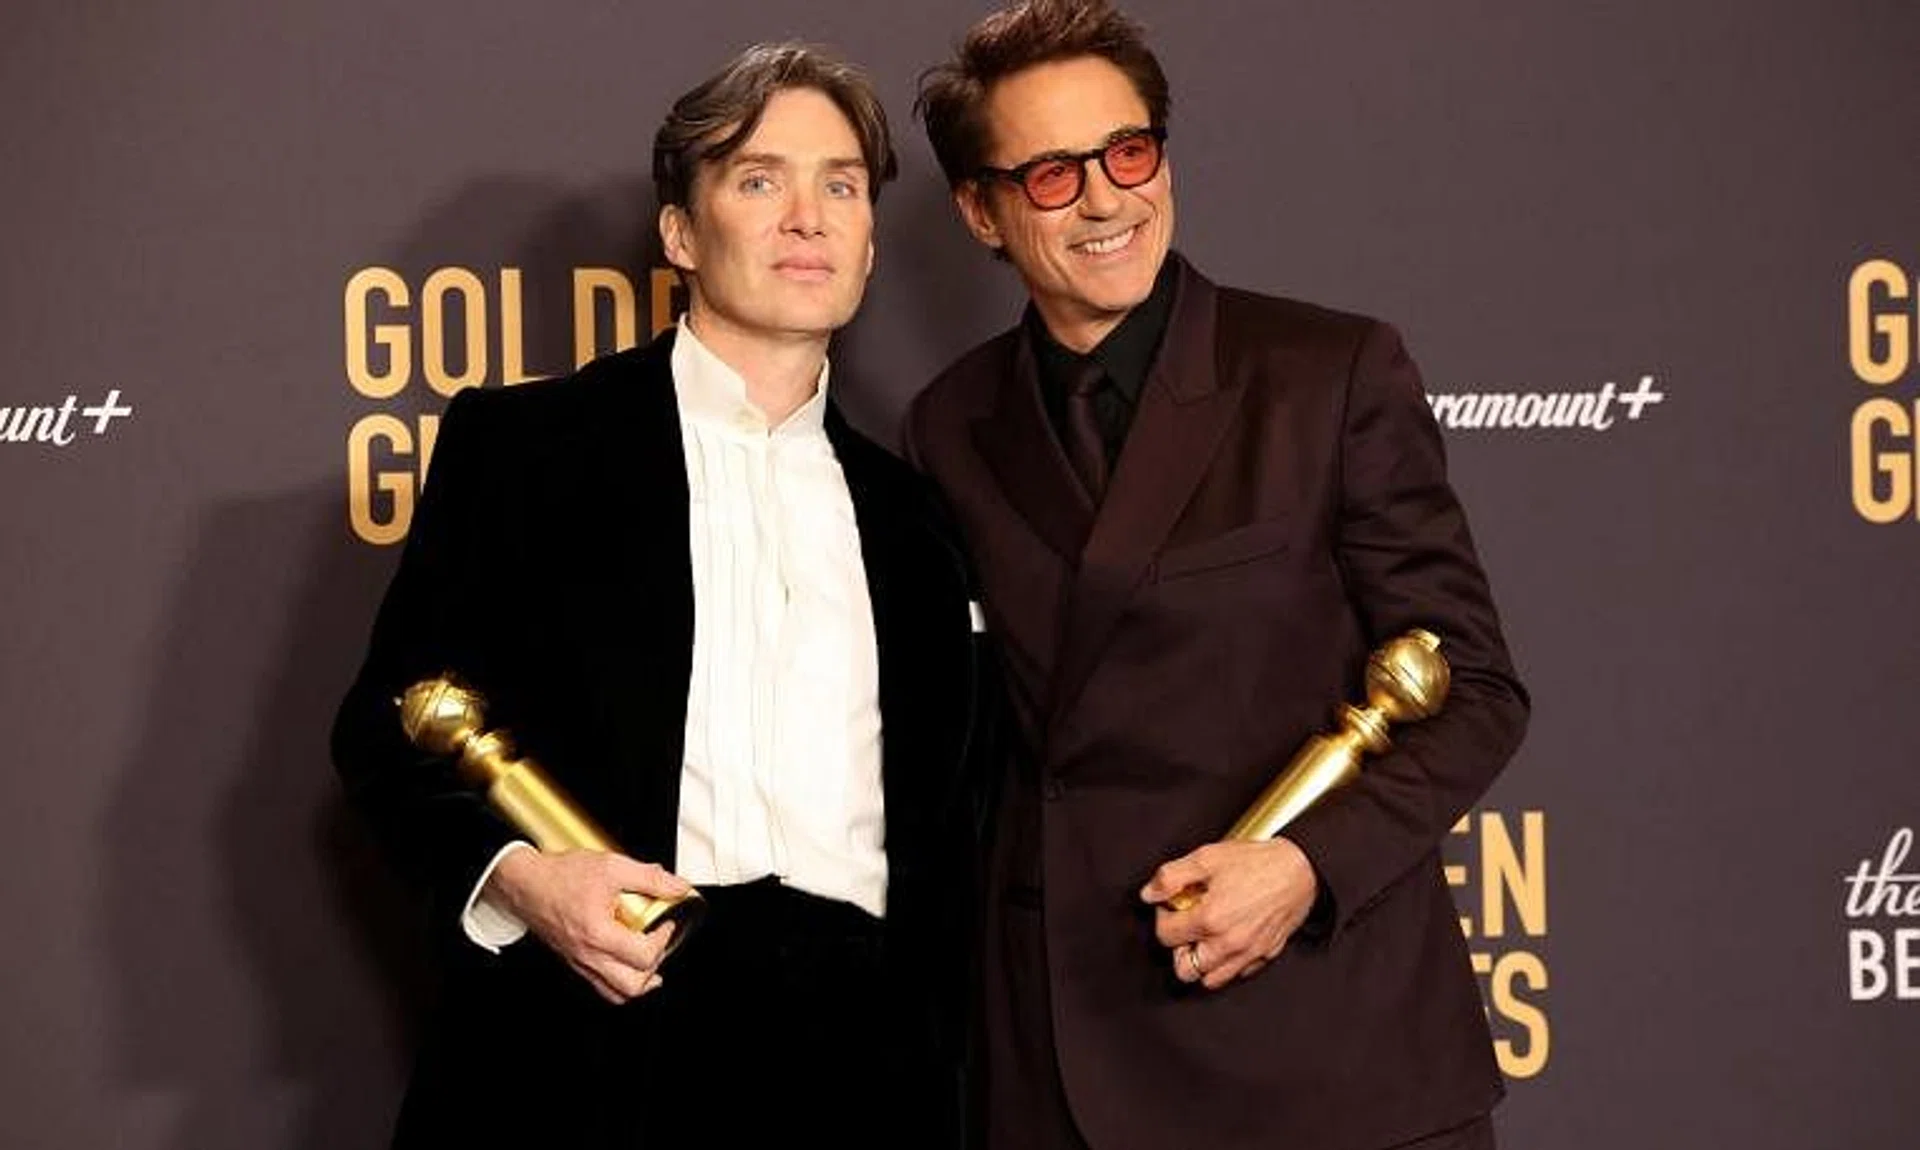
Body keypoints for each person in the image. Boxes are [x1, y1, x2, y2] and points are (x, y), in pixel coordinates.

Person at [332, 42, 990, 1150]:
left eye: (840, 186)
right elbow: (388, 728)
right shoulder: (527, 450)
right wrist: (526, 882)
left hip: (863, 1072)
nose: (808, 218)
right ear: (680, 233)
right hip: (592, 1046)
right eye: (760, 179)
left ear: (871, 242)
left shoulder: (919, 519)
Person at [907, 3, 1530, 1148]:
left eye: (1128, 152)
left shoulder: (1325, 376)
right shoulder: (948, 424)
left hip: (1322, 1048)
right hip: (1068, 1052)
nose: (1106, 200)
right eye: (1052, 174)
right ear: (981, 211)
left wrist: (1306, 866)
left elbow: (1475, 689)